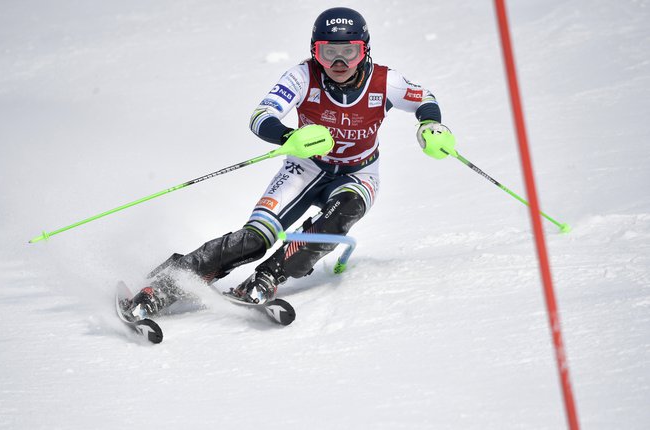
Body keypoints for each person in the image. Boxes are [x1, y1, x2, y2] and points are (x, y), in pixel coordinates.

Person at [122, 7, 456, 320]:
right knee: (256, 238)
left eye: (349, 51)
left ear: (364, 50)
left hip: (359, 172)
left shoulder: (385, 82)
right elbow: (260, 116)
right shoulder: (301, 76)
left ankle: (267, 278)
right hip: (304, 168)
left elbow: (424, 98)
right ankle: (161, 288)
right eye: (328, 52)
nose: (339, 61)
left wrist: (430, 125)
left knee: (340, 216)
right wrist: (287, 137)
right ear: (315, 51)